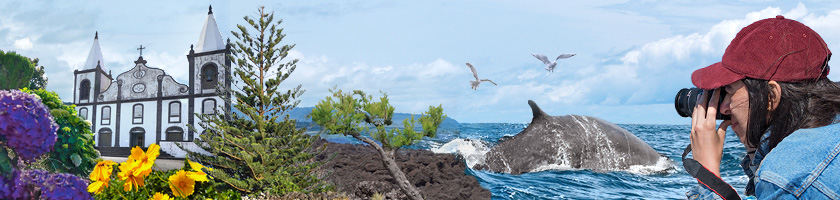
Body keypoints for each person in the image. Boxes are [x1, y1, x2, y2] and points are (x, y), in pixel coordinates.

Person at [686, 15, 840, 199]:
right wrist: (757, 151)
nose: (724, 108)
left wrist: (707, 174)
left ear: (771, 96)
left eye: (729, 92)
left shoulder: (790, 176)